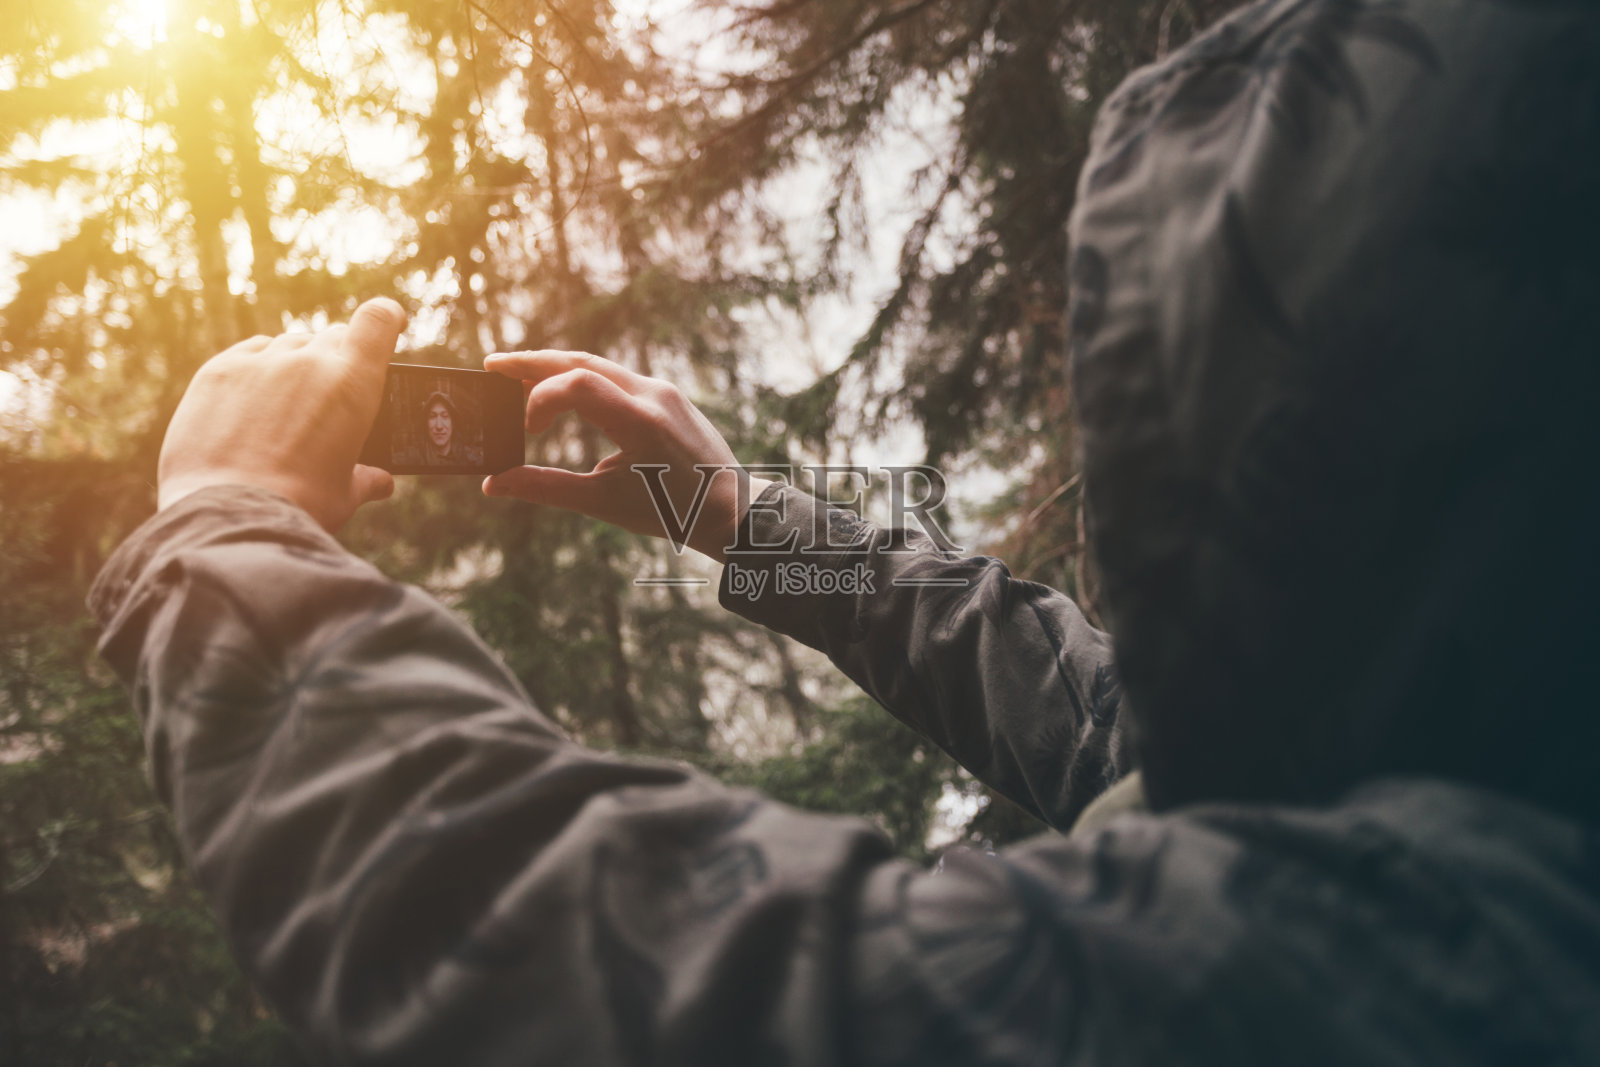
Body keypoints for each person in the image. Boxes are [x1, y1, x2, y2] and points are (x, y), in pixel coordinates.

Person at [89, 1, 1600, 1064]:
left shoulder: (1429, 959)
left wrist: (234, 531)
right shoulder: (1472, 755)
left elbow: (590, 954)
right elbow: (1098, 715)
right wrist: (743, 521)